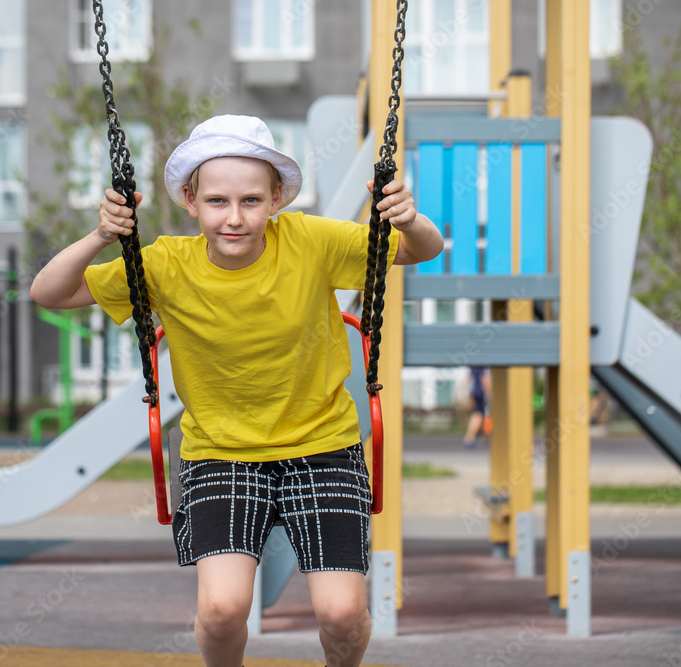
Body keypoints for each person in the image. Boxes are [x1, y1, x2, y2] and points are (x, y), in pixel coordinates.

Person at [30, 115, 443, 667]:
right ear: (189, 200)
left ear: (276, 200)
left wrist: (410, 221)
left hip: (322, 445)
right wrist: (102, 235)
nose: (234, 217)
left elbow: (422, 250)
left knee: (341, 613)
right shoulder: (164, 265)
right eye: (218, 201)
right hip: (221, 452)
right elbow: (49, 292)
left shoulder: (312, 241)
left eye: (251, 200)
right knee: (223, 608)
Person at [462, 366, 491, 449]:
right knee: (479, 414)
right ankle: (469, 438)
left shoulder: (474, 365)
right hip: (481, 393)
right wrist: (488, 393)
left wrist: (465, 394)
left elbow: (467, 379)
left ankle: (484, 436)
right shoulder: (483, 366)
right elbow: (484, 379)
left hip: (474, 392)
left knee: (482, 415)